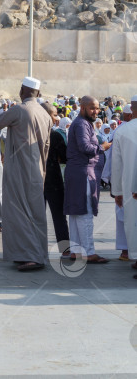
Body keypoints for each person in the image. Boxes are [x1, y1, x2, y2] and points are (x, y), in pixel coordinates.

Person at [0, 77, 52, 272]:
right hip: (37, 170)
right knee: (35, 213)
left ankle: (31, 256)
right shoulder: (45, 115)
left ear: (22, 90)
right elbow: (46, 147)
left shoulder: (19, 110)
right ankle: (33, 253)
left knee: (19, 212)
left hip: (19, 169)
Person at [64, 96, 110, 263]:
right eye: (92, 108)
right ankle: (89, 253)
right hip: (82, 174)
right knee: (85, 213)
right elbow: (85, 147)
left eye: (97, 108)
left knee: (76, 213)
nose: (96, 111)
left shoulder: (81, 123)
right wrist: (102, 147)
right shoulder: (82, 124)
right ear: (82, 108)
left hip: (77, 172)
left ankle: (76, 251)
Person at [110, 95, 137, 275]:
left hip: (130, 188)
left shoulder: (122, 131)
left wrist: (117, 191)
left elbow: (117, 165)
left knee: (133, 222)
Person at [41, 102, 70, 254]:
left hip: (36, 180)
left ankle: (37, 248)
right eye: (54, 115)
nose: (56, 118)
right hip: (53, 181)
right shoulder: (55, 135)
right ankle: (65, 249)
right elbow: (65, 157)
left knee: (36, 217)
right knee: (59, 216)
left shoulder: (31, 133)